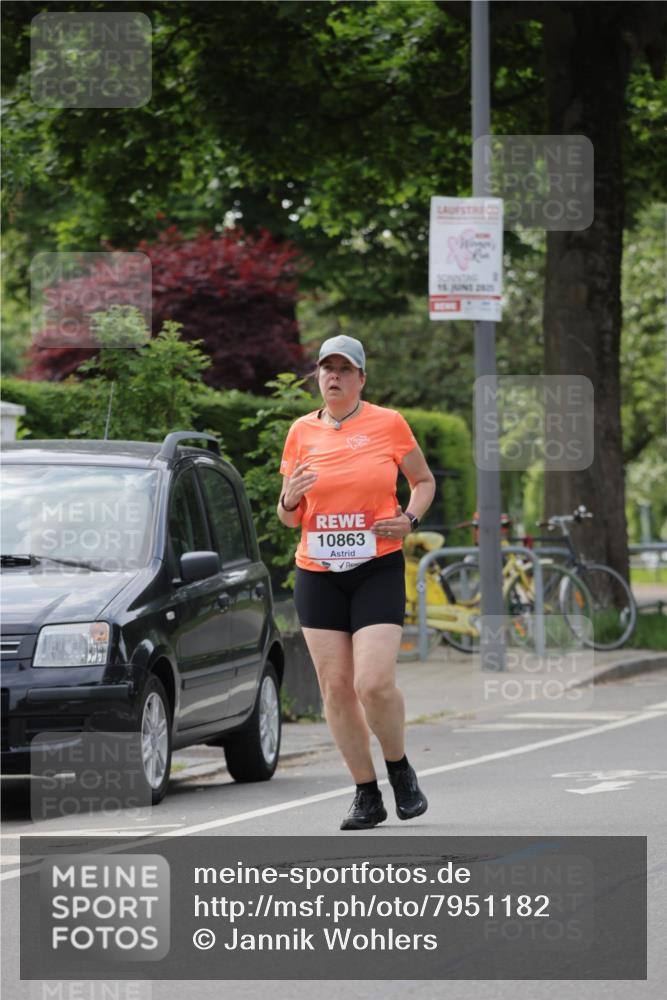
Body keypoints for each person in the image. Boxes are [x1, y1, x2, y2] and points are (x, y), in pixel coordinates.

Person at [277, 334, 436, 830]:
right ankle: (367, 793)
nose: (334, 377)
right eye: (327, 369)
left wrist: (408, 519)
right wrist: (287, 500)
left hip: (376, 565)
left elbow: (424, 481)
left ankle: (400, 768)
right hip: (317, 571)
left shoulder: (388, 424)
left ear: (361, 378)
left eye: (344, 369)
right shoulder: (301, 432)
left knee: (373, 681)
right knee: (337, 689)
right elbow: (288, 517)